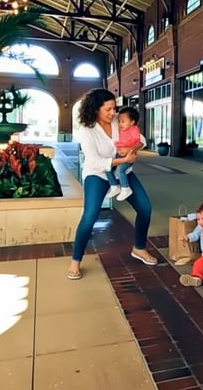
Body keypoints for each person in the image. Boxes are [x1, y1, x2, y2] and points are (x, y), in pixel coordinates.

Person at [67, 88, 157, 280]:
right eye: (107, 109)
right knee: (90, 217)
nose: (112, 113)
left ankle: (139, 248)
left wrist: (131, 148)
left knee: (145, 208)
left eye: (114, 108)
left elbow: (141, 139)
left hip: (122, 173)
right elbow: (94, 161)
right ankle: (75, 261)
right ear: (96, 109)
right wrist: (123, 161)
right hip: (98, 175)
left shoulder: (119, 120)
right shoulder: (87, 129)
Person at [105, 106, 142, 201]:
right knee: (107, 168)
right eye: (119, 121)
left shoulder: (134, 130)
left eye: (123, 122)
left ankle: (126, 188)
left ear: (132, 122)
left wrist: (129, 149)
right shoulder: (121, 128)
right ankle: (114, 186)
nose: (120, 124)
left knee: (120, 170)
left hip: (129, 155)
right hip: (119, 155)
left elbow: (140, 142)